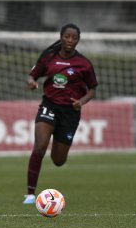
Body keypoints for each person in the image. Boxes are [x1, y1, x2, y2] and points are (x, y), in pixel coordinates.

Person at [23, 23, 98, 204]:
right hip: (49, 106)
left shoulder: (84, 64)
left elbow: (93, 89)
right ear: (61, 37)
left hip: (70, 113)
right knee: (40, 146)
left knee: (58, 160)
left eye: (74, 38)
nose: (70, 40)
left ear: (78, 40)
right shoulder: (49, 57)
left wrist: (81, 102)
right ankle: (31, 194)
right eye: (67, 36)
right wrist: (32, 82)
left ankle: (59, 143)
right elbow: (32, 75)